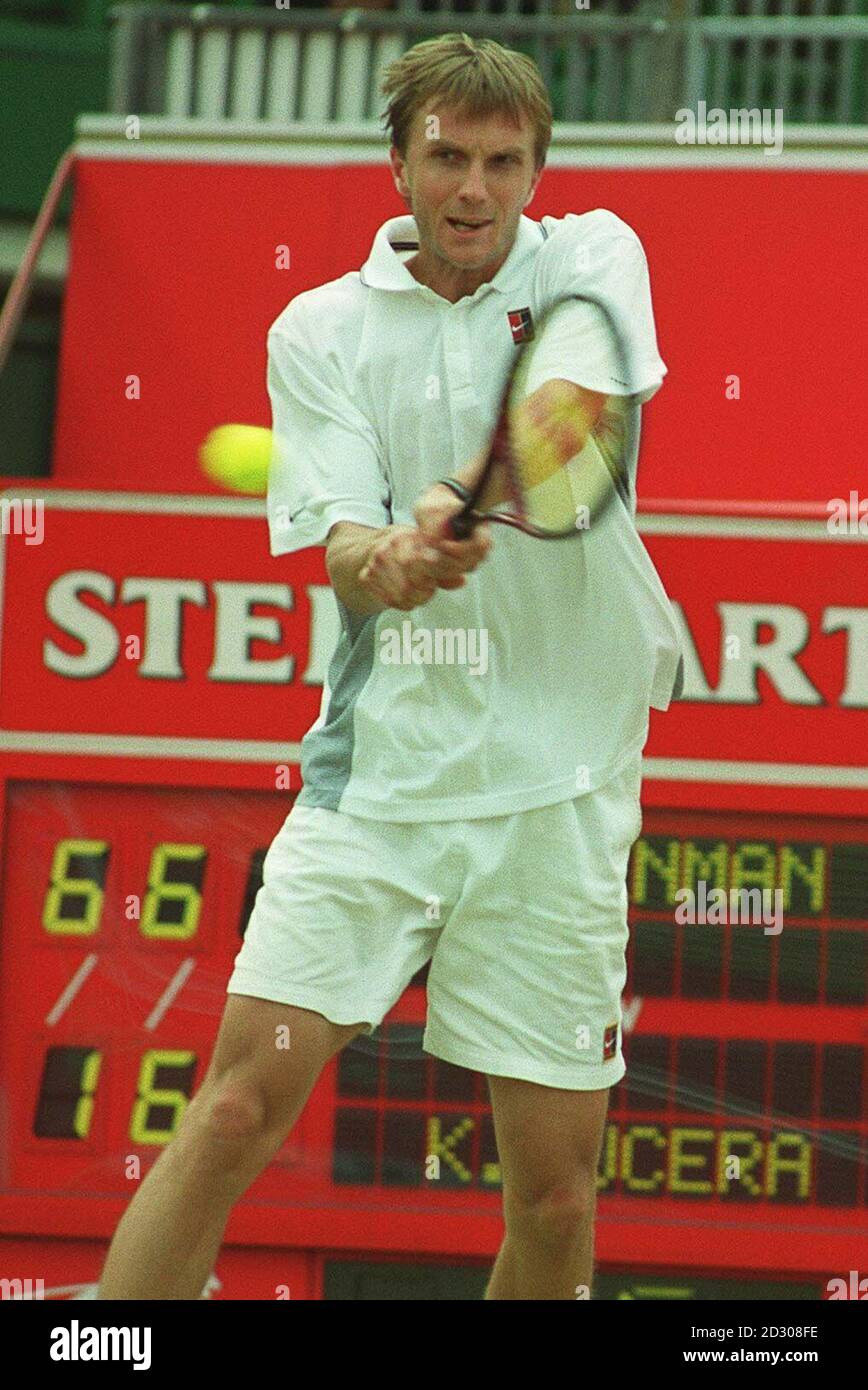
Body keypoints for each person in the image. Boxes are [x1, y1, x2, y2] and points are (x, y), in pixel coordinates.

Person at [98, 30, 682, 1301]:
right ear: (400, 162)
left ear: (537, 167)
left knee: (555, 1191)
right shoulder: (318, 330)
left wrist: (468, 500)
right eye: (447, 156)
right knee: (235, 1111)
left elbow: (577, 434)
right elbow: (341, 547)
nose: (475, 188)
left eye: (502, 161)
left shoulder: (592, 254)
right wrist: (393, 561)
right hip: (378, 793)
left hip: (562, 796)